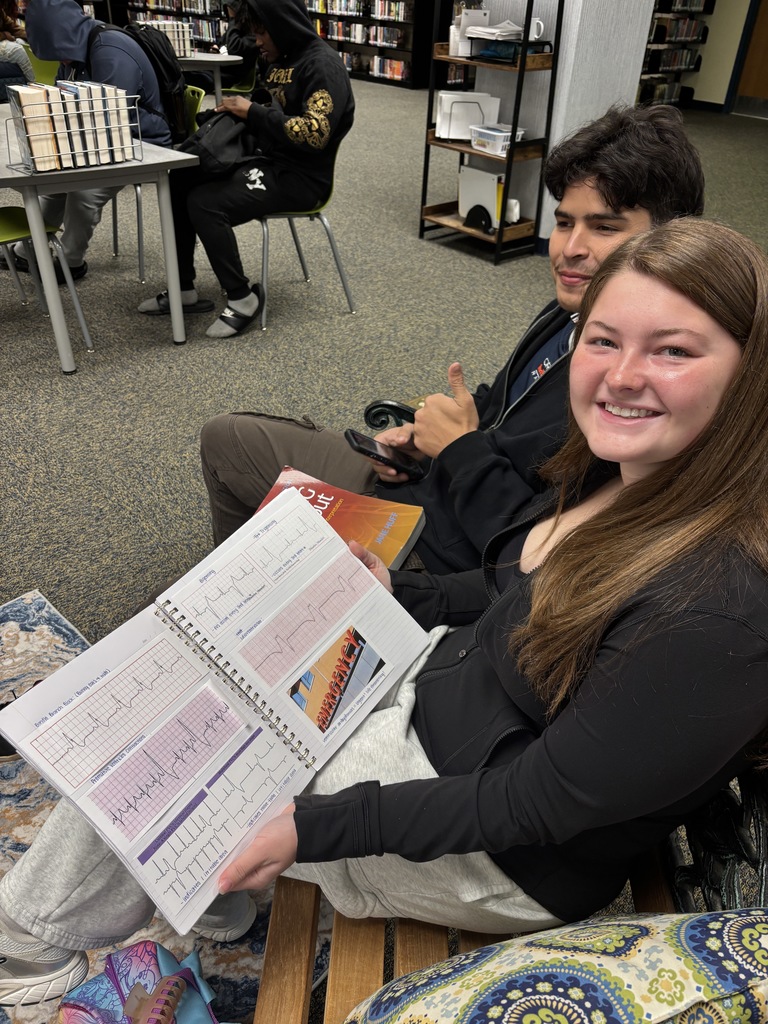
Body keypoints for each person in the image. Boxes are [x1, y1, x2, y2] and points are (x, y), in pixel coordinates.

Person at [2, 218, 768, 1010]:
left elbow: (532, 804)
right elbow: (524, 586)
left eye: (673, 351)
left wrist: (310, 826)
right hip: (455, 707)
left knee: (180, 727)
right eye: (602, 341)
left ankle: (23, 951)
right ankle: (198, 875)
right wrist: (391, 592)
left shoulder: (720, 610)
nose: (621, 374)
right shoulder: (639, 475)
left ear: (750, 371)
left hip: (494, 847)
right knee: (221, 650)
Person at [199, 103, 704, 569]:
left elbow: (529, 548)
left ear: (671, 237)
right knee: (228, 437)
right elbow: (503, 405)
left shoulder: (636, 389)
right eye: (564, 221)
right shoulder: (569, 310)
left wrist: (459, 449)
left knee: (239, 456)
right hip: (433, 482)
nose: (569, 248)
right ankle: (246, 591)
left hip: (445, 547)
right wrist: (426, 440)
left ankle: (269, 603)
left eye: (605, 227)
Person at [136, 0, 355, 338]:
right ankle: (183, 289)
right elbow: (266, 106)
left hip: (302, 178)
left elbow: (314, 134)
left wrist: (252, 112)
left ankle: (242, 299)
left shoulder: (322, 66)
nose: (258, 42)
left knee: (205, 202)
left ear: (284, 26)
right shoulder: (279, 59)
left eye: (263, 32)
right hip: (266, 159)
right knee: (178, 180)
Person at [0, 0, 171, 285]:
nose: (62, 63)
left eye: (61, 55)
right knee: (52, 183)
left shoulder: (110, 50)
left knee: (84, 193)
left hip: (141, 141)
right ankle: (26, 249)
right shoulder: (75, 50)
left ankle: (71, 261)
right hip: (99, 138)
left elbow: (111, 119)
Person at [184, 1, 263, 95]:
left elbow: (234, 49)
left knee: (184, 79)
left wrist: (234, 20)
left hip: (231, 77)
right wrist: (216, 48)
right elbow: (221, 43)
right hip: (216, 71)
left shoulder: (252, 35)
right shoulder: (234, 31)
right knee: (180, 75)